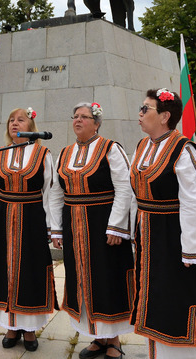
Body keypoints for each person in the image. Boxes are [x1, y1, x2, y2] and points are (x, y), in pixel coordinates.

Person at [129, 89, 196, 358]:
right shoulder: (142, 147)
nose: (139, 114)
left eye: (146, 109)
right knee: (153, 301)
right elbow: (135, 194)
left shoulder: (182, 149)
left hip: (173, 240)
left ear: (165, 116)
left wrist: (191, 250)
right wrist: (131, 230)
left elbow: (194, 201)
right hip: (148, 238)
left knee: (176, 301)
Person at [48, 102, 135, 358]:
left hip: (103, 228)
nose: (78, 120)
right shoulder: (64, 153)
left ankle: (114, 340)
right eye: (75, 116)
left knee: (107, 279)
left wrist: (117, 226)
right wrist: (57, 229)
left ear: (96, 123)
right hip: (74, 228)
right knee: (82, 281)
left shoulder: (111, 149)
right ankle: (98, 338)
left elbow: (124, 188)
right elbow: (55, 192)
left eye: (84, 117)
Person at [0, 108, 58, 351]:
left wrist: (51, 226)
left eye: (20, 119)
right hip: (3, 217)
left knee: (30, 271)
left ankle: (30, 329)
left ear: (31, 125)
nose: (15, 124)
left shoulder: (43, 153)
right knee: (4, 269)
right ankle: (11, 327)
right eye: (11, 120)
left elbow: (50, 191)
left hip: (32, 217)